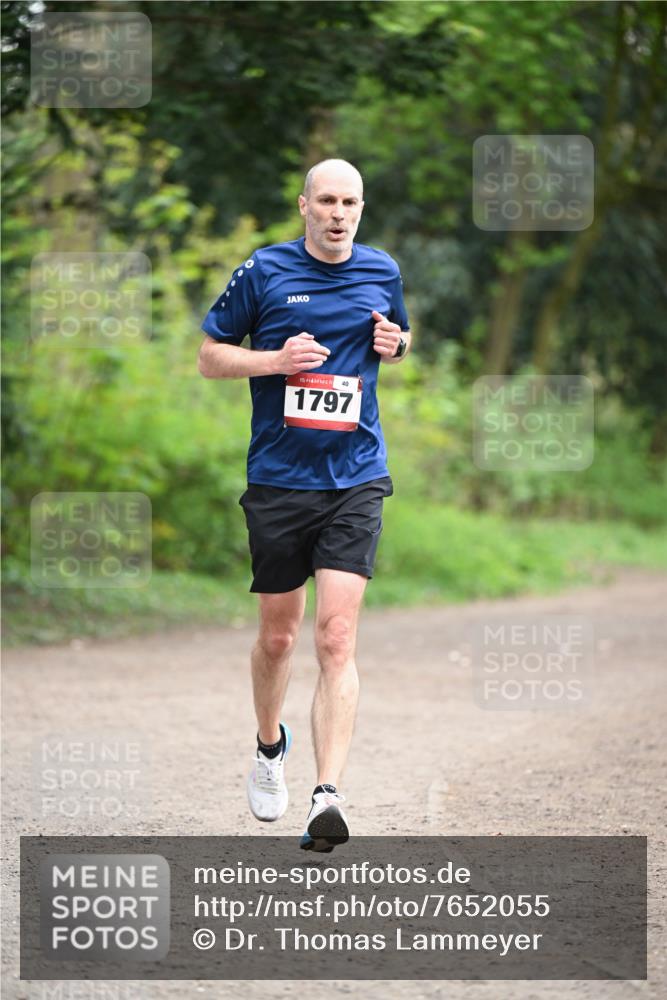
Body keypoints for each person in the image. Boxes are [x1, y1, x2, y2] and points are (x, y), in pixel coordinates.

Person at [198, 158, 411, 852]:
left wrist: (397, 345)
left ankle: (327, 795)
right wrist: (274, 361)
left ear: (361, 209)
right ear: (304, 206)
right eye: (326, 201)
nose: (337, 213)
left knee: (336, 636)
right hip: (279, 479)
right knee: (280, 638)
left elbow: (397, 337)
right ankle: (269, 746)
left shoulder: (381, 269)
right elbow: (209, 355)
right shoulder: (265, 271)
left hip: (356, 476)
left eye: (349, 202)